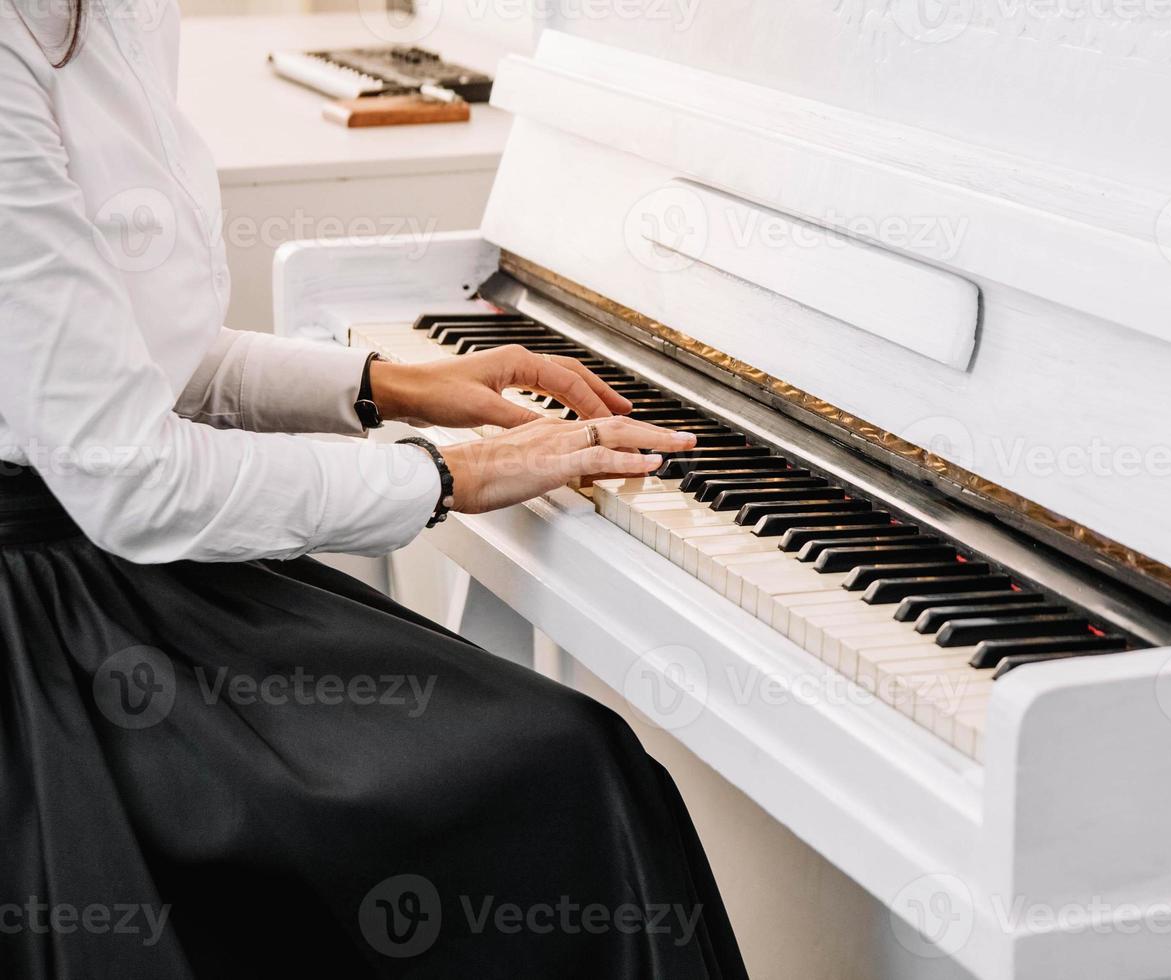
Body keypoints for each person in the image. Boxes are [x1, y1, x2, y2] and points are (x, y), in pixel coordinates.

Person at [0, 0, 748, 976]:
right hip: (44, 620)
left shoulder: (119, 13)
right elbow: (130, 476)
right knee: (562, 769)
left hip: (104, 559)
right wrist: (451, 471)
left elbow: (138, 360)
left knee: (562, 760)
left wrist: (386, 385)